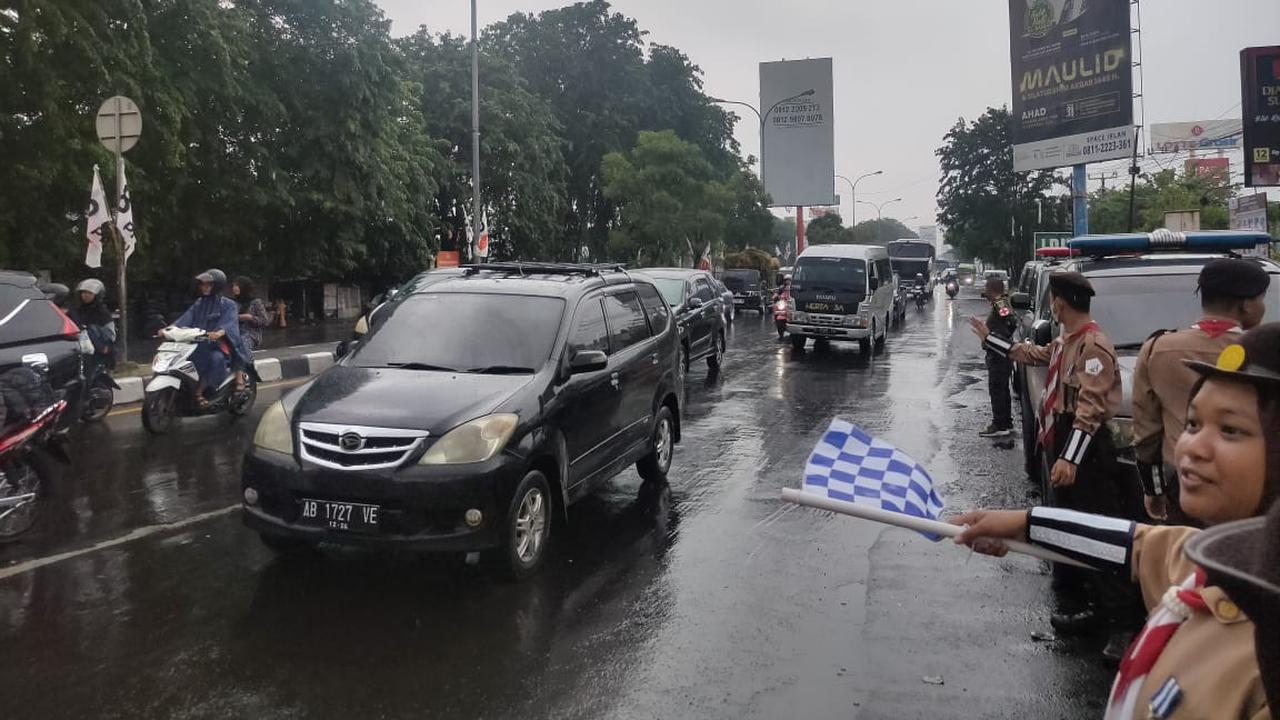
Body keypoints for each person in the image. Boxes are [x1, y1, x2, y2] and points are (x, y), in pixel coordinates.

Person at [952, 322, 1280, 719]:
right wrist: (1025, 525)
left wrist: (1065, 466)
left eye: (1230, 430)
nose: (1193, 446)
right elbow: (1134, 545)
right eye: (1193, 423)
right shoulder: (1222, 562)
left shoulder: (1264, 645)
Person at [970, 271, 1139, 655]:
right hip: (1064, 441)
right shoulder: (1068, 342)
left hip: (1086, 450)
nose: (1052, 307)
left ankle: (1123, 625)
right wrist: (990, 339)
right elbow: (1033, 354)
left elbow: (1090, 410)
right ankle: (1089, 608)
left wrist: (1069, 457)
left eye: (1053, 302)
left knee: (1099, 532)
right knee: (1071, 529)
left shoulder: (1093, 347)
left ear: (1061, 304)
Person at [1133, 258, 1269, 525]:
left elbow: (1147, 434)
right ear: (1247, 304)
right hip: (1255, 487)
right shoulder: (1266, 355)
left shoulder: (1157, 349)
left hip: (1184, 482)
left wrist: (1153, 489)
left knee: (1186, 548)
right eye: (1262, 299)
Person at [171, 269, 250, 407]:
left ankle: (199, 392)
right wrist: (170, 328)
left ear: (217, 286)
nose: (205, 287)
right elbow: (186, 318)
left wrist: (219, 332)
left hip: (219, 345)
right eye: (203, 284)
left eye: (209, 284)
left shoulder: (228, 304)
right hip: (199, 343)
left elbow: (230, 322)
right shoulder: (199, 303)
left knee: (215, 359)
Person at [976, 276, 1018, 437]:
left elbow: (1011, 321)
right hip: (1000, 353)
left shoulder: (1000, 304)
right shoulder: (998, 303)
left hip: (999, 355)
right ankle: (1005, 422)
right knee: (1002, 389)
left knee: (997, 389)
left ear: (991, 289)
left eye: (986, 288)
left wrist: (999, 338)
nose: (984, 291)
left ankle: (999, 424)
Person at [66, 279, 116, 358]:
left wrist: (92, 331)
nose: (86, 295)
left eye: (90, 293)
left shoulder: (102, 312)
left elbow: (110, 336)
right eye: (84, 292)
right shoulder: (77, 310)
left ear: (97, 295)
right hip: (79, 348)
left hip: (98, 352)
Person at [230, 277, 270, 352]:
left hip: (250, 334)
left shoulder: (255, 302)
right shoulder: (232, 302)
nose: (234, 288)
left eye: (237, 286)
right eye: (233, 286)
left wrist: (250, 318)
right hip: (235, 333)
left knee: (243, 345)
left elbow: (265, 321)